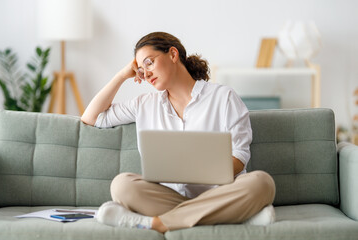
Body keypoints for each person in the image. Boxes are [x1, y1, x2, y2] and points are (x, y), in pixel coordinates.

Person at [81, 32, 276, 233]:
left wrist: (200, 172)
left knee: (261, 183)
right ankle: (236, 216)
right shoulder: (144, 104)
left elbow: (240, 157)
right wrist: (121, 75)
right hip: (171, 197)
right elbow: (92, 118)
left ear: (173, 54)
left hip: (221, 193)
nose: (145, 74)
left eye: (149, 63)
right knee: (122, 185)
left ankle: (158, 223)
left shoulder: (223, 97)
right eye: (140, 69)